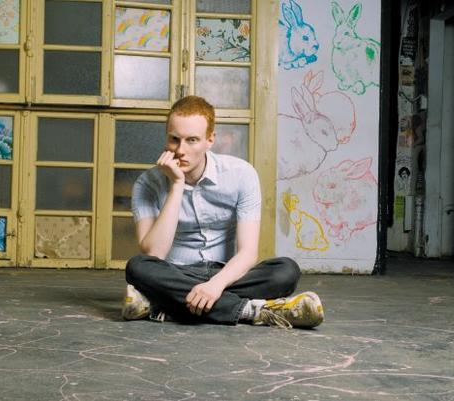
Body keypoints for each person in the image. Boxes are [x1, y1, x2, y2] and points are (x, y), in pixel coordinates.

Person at [122, 96, 324, 329]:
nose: (181, 150)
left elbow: (248, 253)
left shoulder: (241, 174)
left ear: (210, 140)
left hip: (227, 275)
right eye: (174, 139)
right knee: (138, 267)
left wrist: (215, 285)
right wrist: (176, 185)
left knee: (286, 271)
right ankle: (254, 310)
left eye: (192, 140)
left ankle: (166, 306)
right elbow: (154, 253)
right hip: (175, 274)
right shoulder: (147, 184)